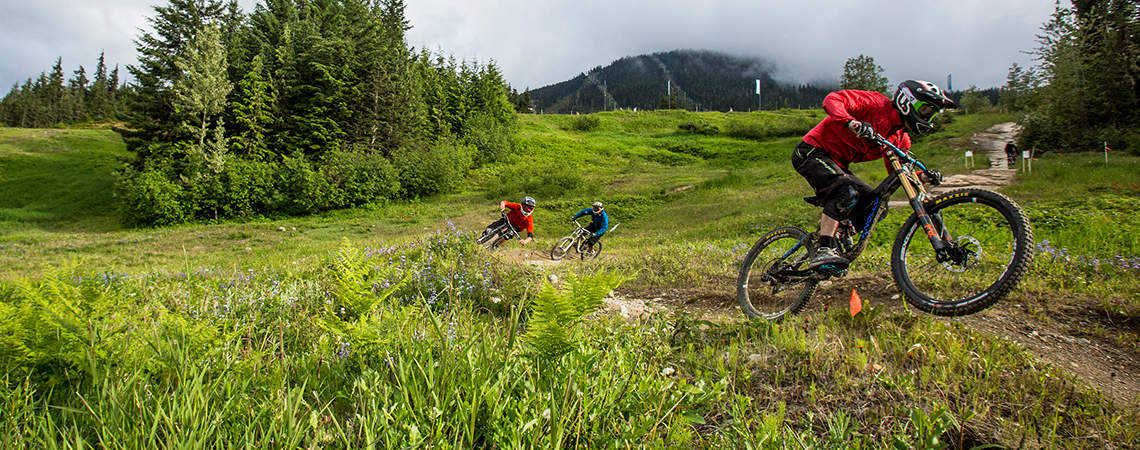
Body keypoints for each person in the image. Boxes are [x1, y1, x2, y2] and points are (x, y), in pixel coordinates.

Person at [792, 80, 958, 272]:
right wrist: (851, 121)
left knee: (878, 207)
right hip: (811, 151)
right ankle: (824, 248)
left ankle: (840, 232)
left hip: (838, 164)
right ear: (907, 101)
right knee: (846, 191)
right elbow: (833, 99)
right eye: (927, 110)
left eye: (933, 114)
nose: (928, 118)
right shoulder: (875, 103)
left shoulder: (901, 139)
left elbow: (897, 172)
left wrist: (923, 176)